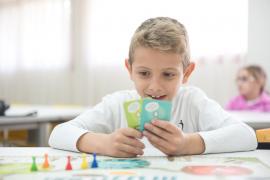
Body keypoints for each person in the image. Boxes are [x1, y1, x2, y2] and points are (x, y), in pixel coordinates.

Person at [49, 17, 257, 157]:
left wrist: (188, 144)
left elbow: (246, 135)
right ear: (129, 69)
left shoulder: (193, 101)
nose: (155, 87)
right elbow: (58, 134)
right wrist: (103, 144)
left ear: (186, 73)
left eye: (168, 74)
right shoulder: (117, 104)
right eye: (144, 73)